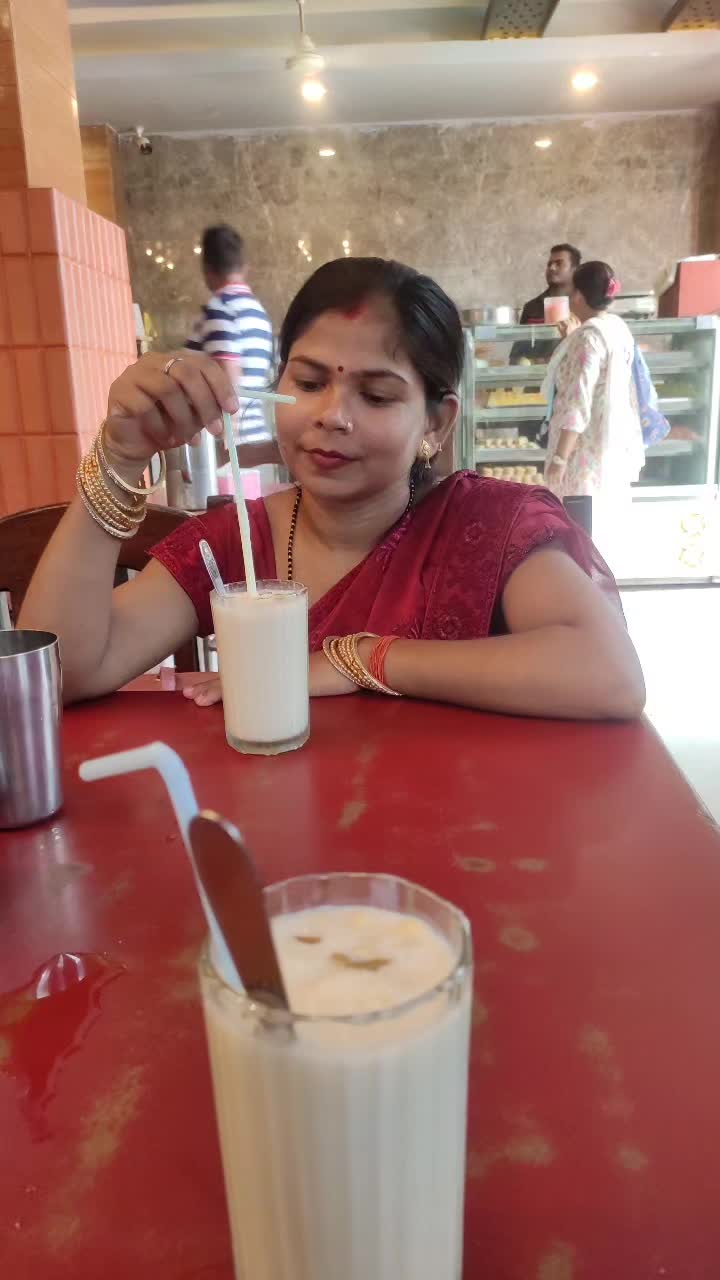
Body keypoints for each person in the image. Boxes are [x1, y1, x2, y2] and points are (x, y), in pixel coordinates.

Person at [19, 257, 644, 721]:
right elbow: (60, 673)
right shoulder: (237, 542)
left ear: (435, 423)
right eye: (310, 382)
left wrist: (363, 659)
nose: (331, 416)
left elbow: (608, 673)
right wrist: (121, 456)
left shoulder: (488, 528)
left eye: (376, 395)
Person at [542, 261, 646, 566]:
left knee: (579, 526)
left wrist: (560, 459)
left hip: (582, 454)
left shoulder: (588, 338)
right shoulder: (616, 328)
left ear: (577, 296)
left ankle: (582, 578)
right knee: (601, 525)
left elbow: (577, 402)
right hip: (609, 446)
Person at [186, 224, 278, 466]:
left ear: (207, 270)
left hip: (233, 450)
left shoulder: (221, 309)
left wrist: (226, 450)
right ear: (244, 266)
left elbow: (228, 382)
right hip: (255, 439)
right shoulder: (258, 312)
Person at [520, 244, 582, 324]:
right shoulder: (531, 308)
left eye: (559, 263)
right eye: (549, 264)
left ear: (575, 269)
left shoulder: (586, 305)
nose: (552, 268)